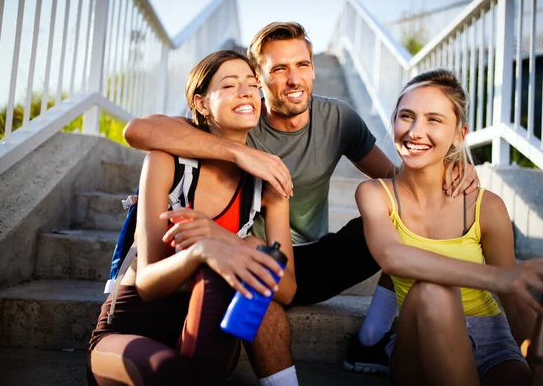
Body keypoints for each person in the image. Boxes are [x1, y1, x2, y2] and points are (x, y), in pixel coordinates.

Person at [122, 22, 481, 385]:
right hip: (248, 255)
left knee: (399, 211)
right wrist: (238, 153)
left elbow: (399, 179)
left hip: (310, 260)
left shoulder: (337, 119)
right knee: (255, 281)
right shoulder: (238, 115)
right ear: (258, 78)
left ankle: (370, 339)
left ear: (313, 68)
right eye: (278, 69)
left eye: (302, 65)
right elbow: (138, 130)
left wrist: (450, 168)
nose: (294, 79)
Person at [355, 69, 543, 385]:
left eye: (434, 120)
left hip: (493, 341)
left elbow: (516, 306)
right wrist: (502, 277)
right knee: (432, 289)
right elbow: (392, 257)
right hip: (417, 336)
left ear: (459, 135)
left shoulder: (485, 206)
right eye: (407, 116)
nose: (416, 131)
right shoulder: (376, 194)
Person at [87, 50, 295, 385]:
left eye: (252, 84)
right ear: (200, 104)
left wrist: (221, 239)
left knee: (227, 267)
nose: (245, 92)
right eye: (229, 85)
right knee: (172, 373)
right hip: (131, 333)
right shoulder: (167, 162)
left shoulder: (267, 184)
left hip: (207, 338)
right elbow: (148, 285)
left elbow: (285, 290)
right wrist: (200, 251)